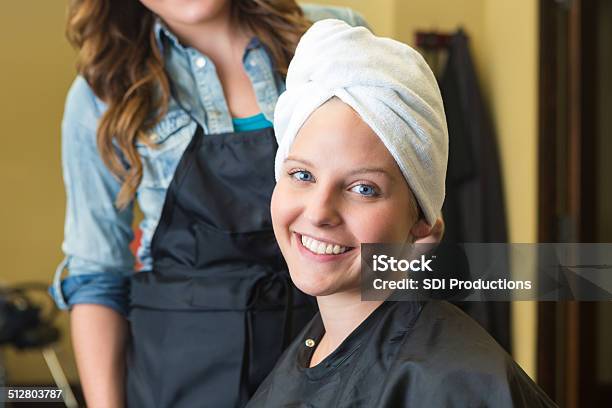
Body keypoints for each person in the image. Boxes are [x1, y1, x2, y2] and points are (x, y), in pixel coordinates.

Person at [50, 1, 367, 407]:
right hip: (175, 375)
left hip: (331, 360)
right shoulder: (100, 93)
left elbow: (394, 221)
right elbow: (97, 278)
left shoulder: (335, 36)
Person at [246, 19, 557, 407]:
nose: (320, 210)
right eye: (302, 174)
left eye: (363, 189)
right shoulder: (315, 343)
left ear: (423, 224)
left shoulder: (451, 381)